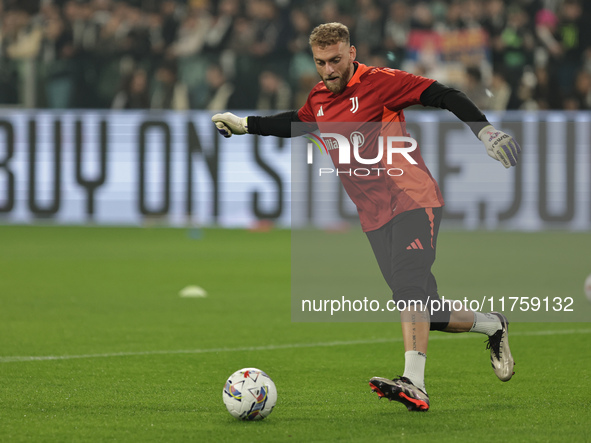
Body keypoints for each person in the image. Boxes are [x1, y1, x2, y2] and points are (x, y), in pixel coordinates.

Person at [211, 22, 520, 412]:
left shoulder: (382, 83)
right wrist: (245, 125)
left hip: (413, 199)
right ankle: (492, 325)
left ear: (352, 53)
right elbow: (297, 123)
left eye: (336, 60)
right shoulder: (321, 98)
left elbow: (444, 94)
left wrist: (485, 131)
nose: (329, 70)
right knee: (427, 308)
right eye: (321, 62)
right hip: (374, 217)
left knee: (409, 287)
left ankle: (415, 383)